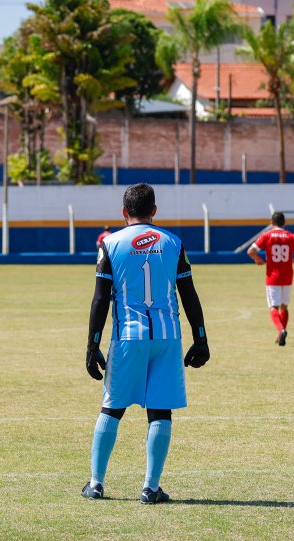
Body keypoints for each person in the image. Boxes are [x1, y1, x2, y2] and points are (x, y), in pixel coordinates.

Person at [82, 183, 210, 504]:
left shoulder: (110, 243)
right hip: (167, 337)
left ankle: (96, 483)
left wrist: (92, 344)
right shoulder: (173, 243)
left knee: (112, 407)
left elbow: (100, 299)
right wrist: (201, 338)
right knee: (160, 411)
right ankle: (150, 488)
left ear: (124, 212)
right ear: (154, 211)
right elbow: (189, 294)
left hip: (128, 336)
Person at [247, 212, 294, 346]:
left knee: (273, 307)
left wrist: (258, 259)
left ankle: (281, 330)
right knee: (284, 307)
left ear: (271, 222)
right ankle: (281, 332)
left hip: (273, 277)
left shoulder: (267, 236)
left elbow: (250, 251)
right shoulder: (292, 237)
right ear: (284, 223)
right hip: (287, 276)